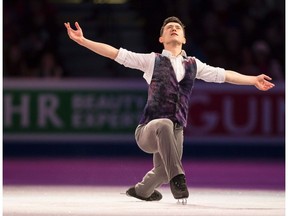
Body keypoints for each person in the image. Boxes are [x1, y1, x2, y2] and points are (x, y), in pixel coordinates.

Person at [64, 16, 274, 203]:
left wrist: (253, 80)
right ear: (161, 39)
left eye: (178, 28)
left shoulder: (194, 64)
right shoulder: (151, 60)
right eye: (168, 27)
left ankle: (141, 191)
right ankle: (179, 179)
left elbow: (225, 75)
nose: (173, 28)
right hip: (148, 130)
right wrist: (83, 41)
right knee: (164, 127)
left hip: (176, 131)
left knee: (163, 172)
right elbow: (115, 54)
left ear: (184, 39)